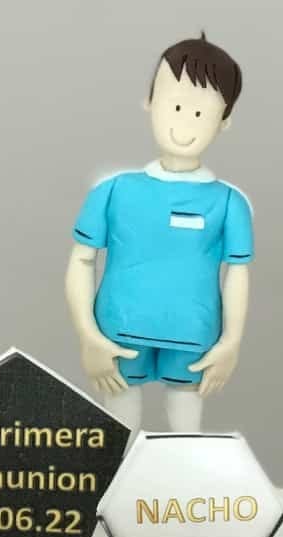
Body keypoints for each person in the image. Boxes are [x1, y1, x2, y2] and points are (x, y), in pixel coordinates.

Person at [65, 34, 252, 431]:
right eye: (177, 106)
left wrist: (231, 343)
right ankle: (121, 474)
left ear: (224, 121)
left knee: (185, 431)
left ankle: (178, 474)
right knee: (118, 433)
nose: (184, 122)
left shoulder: (228, 203)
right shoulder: (113, 191)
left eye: (200, 113)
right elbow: (81, 260)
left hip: (193, 335)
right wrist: (87, 335)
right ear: (150, 101)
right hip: (117, 330)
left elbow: (238, 273)